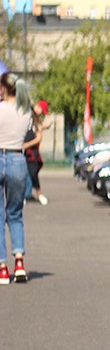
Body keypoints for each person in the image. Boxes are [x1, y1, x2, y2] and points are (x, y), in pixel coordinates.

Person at [1, 72, 33, 284]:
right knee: (15, 214)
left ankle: (2, 267)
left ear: (4, 88)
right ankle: (19, 262)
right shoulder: (26, 111)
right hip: (17, 159)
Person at [23, 100, 47, 205]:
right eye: (42, 110)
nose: (41, 113)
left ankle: (31, 194)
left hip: (29, 149)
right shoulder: (28, 113)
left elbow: (38, 135)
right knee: (24, 173)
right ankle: (28, 195)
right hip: (24, 148)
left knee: (32, 171)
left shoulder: (35, 119)